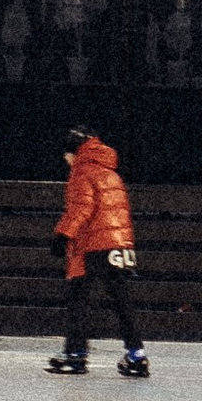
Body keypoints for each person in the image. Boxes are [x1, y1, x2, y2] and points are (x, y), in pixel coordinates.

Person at [50, 123, 150, 378]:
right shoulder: (111, 173)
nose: (66, 160)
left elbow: (81, 208)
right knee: (121, 301)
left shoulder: (82, 172)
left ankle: (75, 355)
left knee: (78, 299)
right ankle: (137, 355)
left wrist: (63, 235)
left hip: (93, 246)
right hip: (118, 245)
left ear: (74, 152)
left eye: (66, 155)